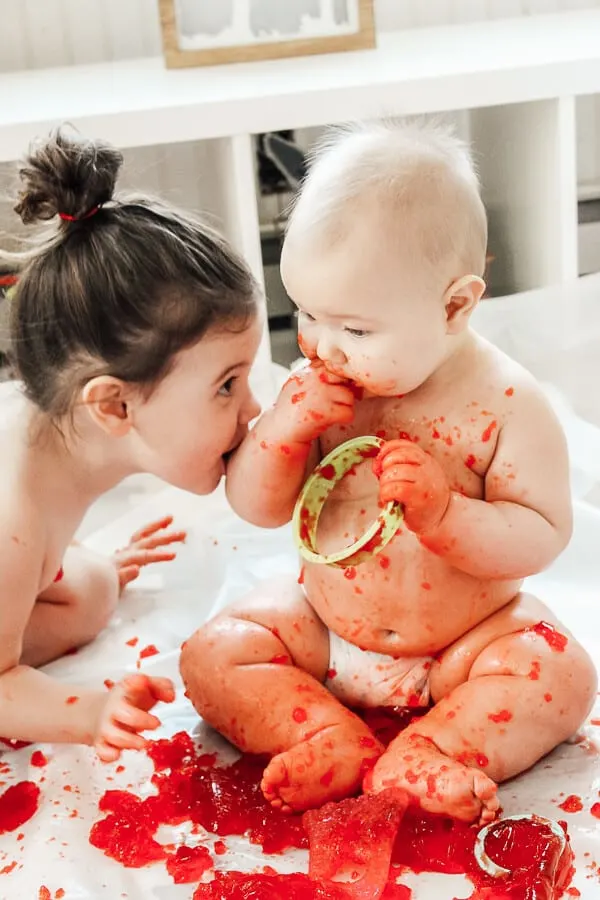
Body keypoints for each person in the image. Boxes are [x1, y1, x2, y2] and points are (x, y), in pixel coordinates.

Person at [180, 119, 597, 824]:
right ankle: (321, 730)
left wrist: (447, 516)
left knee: (559, 672)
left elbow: (543, 534)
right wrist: (286, 428)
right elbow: (257, 505)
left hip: (466, 644)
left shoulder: (507, 404)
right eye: (307, 314)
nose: (323, 345)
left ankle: (436, 747)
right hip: (324, 626)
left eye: (357, 330)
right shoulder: (321, 392)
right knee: (212, 653)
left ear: (456, 305)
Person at [0, 128, 262, 762]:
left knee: (89, 590)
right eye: (227, 385)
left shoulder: (52, 450)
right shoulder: (11, 525)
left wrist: (80, 567)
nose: (253, 408)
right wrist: (91, 712)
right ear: (115, 405)